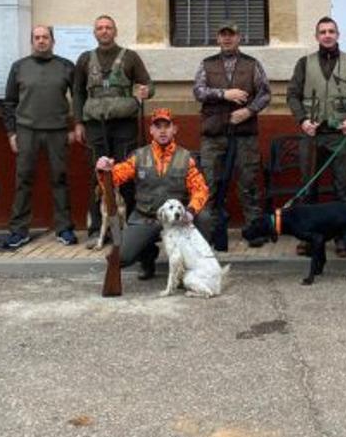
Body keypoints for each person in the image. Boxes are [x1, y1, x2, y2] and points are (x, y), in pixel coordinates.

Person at [285, 16, 346, 256]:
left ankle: (344, 238)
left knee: (343, 188)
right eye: (322, 31)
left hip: (340, 135)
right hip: (312, 135)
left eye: (331, 31)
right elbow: (292, 95)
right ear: (316, 36)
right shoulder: (304, 63)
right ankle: (307, 238)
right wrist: (302, 120)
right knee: (307, 188)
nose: (327, 35)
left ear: (338, 35)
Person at [95, 108, 209, 280]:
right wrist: (104, 169)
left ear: (174, 129)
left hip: (177, 219)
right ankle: (147, 259)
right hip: (146, 217)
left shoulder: (186, 158)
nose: (163, 131)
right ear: (151, 130)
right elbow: (116, 177)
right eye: (158, 126)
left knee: (205, 217)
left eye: (167, 126)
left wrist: (191, 211)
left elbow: (200, 189)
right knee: (120, 258)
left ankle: (195, 265)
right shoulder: (139, 156)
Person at [72, 14, 153, 241]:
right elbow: (77, 93)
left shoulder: (130, 58)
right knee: (97, 175)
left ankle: (129, 228)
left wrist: (147, 91)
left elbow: (148, 84)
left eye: (108, 27)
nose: (104, 31)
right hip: (95, 125)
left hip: (124, 125)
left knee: (125, 174)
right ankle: (97, 228)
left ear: (115, 31)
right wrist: (78, 122)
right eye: (100, 28)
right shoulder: (85, 59)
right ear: (95, 33)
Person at [192, 20, 271, 247]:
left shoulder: (252, 64)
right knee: (210, 185)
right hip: (214, 134)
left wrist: (248, 111)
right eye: (223, 35)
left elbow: (265, 94)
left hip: (245, 134)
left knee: (249, 183)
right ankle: (211, 232)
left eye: (231, 35)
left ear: (239, 38)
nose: (227, 39)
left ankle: (254, 231)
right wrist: (224, 94)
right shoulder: (206, 64)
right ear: (217, 38)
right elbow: (198, 91)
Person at [1, 25, 76, 249]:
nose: (41, 41)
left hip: (57, 131)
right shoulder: (19, 67)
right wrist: (11, 132)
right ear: (31, 41)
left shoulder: (66, 67)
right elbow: (9, 102)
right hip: (27, 130)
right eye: (37, 37)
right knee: (23, 180)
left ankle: (64, 228)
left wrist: (75, 127)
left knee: (60, 179)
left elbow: (79, 98)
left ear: (53, 41)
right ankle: (18, 230)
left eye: (45, 37)